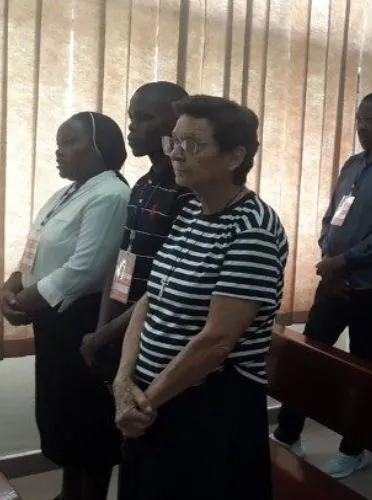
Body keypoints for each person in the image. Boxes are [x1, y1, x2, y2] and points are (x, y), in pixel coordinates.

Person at [113, 95, 288, 499]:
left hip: (210, 408)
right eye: (173, 141)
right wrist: (124, 380)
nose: (176, 153)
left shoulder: (253, 229)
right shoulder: (192, 211)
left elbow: (217, 341)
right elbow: (150, 300)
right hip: (157, 399)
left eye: (192, 144)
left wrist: (145, 403)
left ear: (234, 157)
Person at [272, 90, 372, 478]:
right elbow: (331, 219)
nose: (362, 126)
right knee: (307, 359)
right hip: (334, 281)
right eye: (359, 118)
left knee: (362, 369)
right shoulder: (353, 164)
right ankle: (288, 434)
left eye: (371, 119)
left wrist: (343, 262)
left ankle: (354, 449)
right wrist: (330, 259)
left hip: (371, 286)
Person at [0, 112, 130, 500]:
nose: (59, 151)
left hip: (82, 321)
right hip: (51, 319)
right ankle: (68, 492)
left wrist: (24, 300)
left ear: (101, 147)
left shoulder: (112, 195)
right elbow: (34, 247)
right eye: (58, 142)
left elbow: (86, 269)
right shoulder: (68, 193)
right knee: (60, 414)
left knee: (87, 420)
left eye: (70, 141)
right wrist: (10, 285)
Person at [81, 81, 191, 380]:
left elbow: (170, 283)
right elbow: (123, 261)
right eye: (131, 117)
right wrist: (104, 327)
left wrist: (107, 333)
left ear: (176, 124)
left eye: (144, 118)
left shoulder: (187, 190)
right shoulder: (143, 185)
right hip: (121, 329)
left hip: (160, 336)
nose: (131, 127)